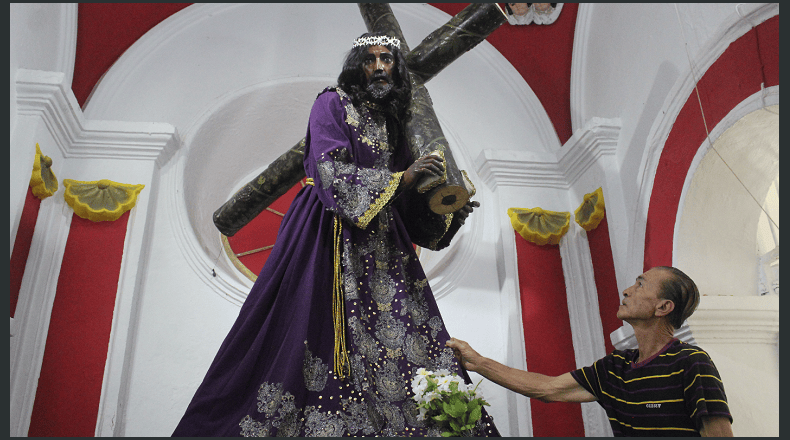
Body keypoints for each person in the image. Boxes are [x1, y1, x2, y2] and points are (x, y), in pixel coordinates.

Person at [172, 32, 497, 437]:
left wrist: (446, 206)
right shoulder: (331, 102)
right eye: (370, 59)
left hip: (384, 244)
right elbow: (328, 169)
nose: (379, 67)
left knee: (402, 324)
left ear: (397, 69)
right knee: (308, 318)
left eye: (388, 60)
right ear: (357, 67)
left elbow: (409, 202)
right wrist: (400, 179)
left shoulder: (397, 123)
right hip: (327, 228)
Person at [447, 266, 734, 437]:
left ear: (662, 307)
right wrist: (479, 362)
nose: (626, 290)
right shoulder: (616, 367)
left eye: (640, 284)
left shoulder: (691, 362)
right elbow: (548, 388)